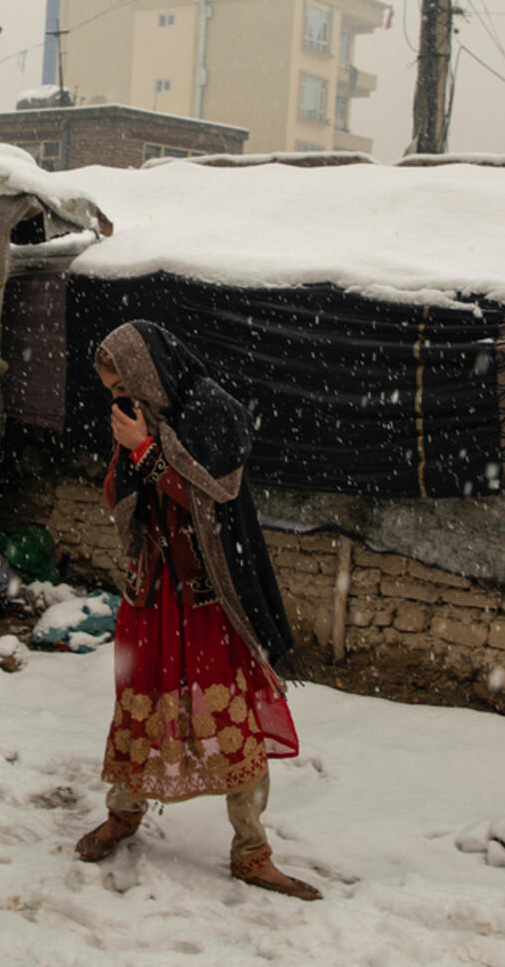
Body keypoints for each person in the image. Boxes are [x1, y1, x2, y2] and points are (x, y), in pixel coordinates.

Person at [75, 320, 321, 901]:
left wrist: (148, 453)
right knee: (137, 712)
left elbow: (212, 497)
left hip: (209, 599)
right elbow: (119, 496)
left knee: (232, 719)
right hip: (152, 596)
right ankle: (125, 814)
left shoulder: (215, 412)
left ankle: (251, 850)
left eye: (122, 385)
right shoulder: (138, 415)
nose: (118, 399)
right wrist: (130, 455)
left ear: (146, 371)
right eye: (111, 392)